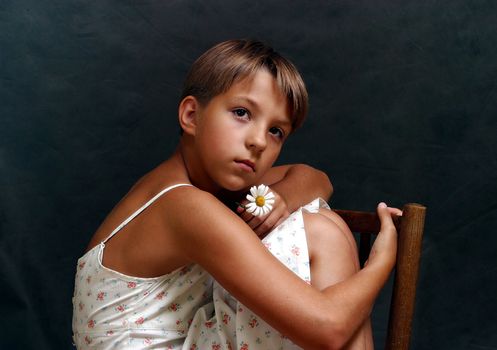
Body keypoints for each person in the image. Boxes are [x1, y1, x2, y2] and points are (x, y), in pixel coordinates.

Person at [72, 39, 401, 349]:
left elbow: (315, 178)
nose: (258, 141)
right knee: (323, 232)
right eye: (242, 113)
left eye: (276, 131)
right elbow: (328, 329)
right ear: (191, 115)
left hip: (185, 339)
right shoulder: (184, 205)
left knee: (321, 225)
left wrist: (282, 198)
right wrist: (380, 260)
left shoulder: (199, 185)